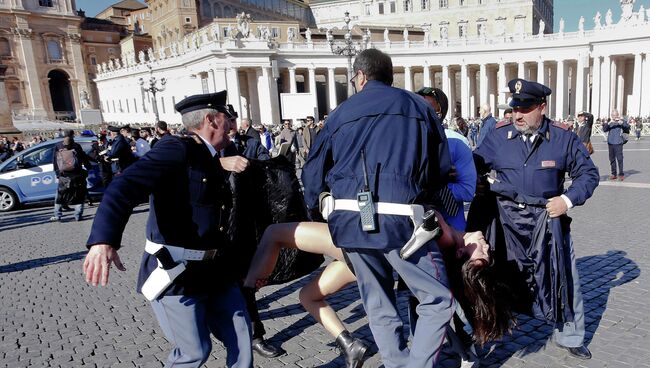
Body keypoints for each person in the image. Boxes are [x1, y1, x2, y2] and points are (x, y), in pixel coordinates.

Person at [302, 48, 454, 368]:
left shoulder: (339, 113)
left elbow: (312, 173)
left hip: (349, 219)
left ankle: (396, 363)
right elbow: (440, 167)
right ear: (391, 76)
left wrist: (323, 208)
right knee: (437, 300)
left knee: (378, 304)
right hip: (401, 220)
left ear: (359, 76)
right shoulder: (416, 106)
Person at [83, 91, 254, 368]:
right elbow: (123, 187)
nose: (232, 125)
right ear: (211, 120)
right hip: (178, 271)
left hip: (217, 269)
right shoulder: (177, 148)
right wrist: (103, 240)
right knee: (194, 352)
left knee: (241, 337)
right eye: (228, 119)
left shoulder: (212, 155)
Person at [244, 214, 513, 367]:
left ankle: (249, 287)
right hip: (363, 263)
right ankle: (348, 343)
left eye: (482, 254)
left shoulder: (444, 234)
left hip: (356, 244)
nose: (487, 246)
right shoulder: (448, 243)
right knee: (307, 296)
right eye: (488, 251)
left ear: (460, 252)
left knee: (274, 233)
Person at [471, 78, 599, 360]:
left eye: (525, 108)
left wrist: (566, 200)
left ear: (542, 107)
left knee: (564, 276)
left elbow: (588, 175)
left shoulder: (563, 137)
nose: (517, 114)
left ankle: (570, 335)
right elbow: (474, 165)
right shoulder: (497, 136)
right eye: (514, 106)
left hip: (547, 220)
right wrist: (475, 180)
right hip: (506, 222)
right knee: (495, 276)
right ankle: (492, 326)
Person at [51, 130, 92, 221]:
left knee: (60, 195)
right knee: (79, 195)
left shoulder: (58, 146)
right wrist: (88, 167)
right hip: (77, 174)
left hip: (64, 175)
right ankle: (78, 215)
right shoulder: (76, 146)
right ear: (72, 136)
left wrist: (57, 173)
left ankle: (57, 215)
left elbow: (54, 161)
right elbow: (83, 158)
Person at [602, 109, 630, 181]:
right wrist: (608, 123)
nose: (614, 116)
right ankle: (613, 173)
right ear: (611, 116)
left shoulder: (621, 121)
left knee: (620, 159)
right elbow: (604, 129)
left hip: (618, 143)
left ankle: (621, 174)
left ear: (618, 115)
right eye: (613, 115)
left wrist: (622, 123)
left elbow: (627, 127)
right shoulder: (610, 123)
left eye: (616, 115)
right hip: (610, 143)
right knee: (612, 159)